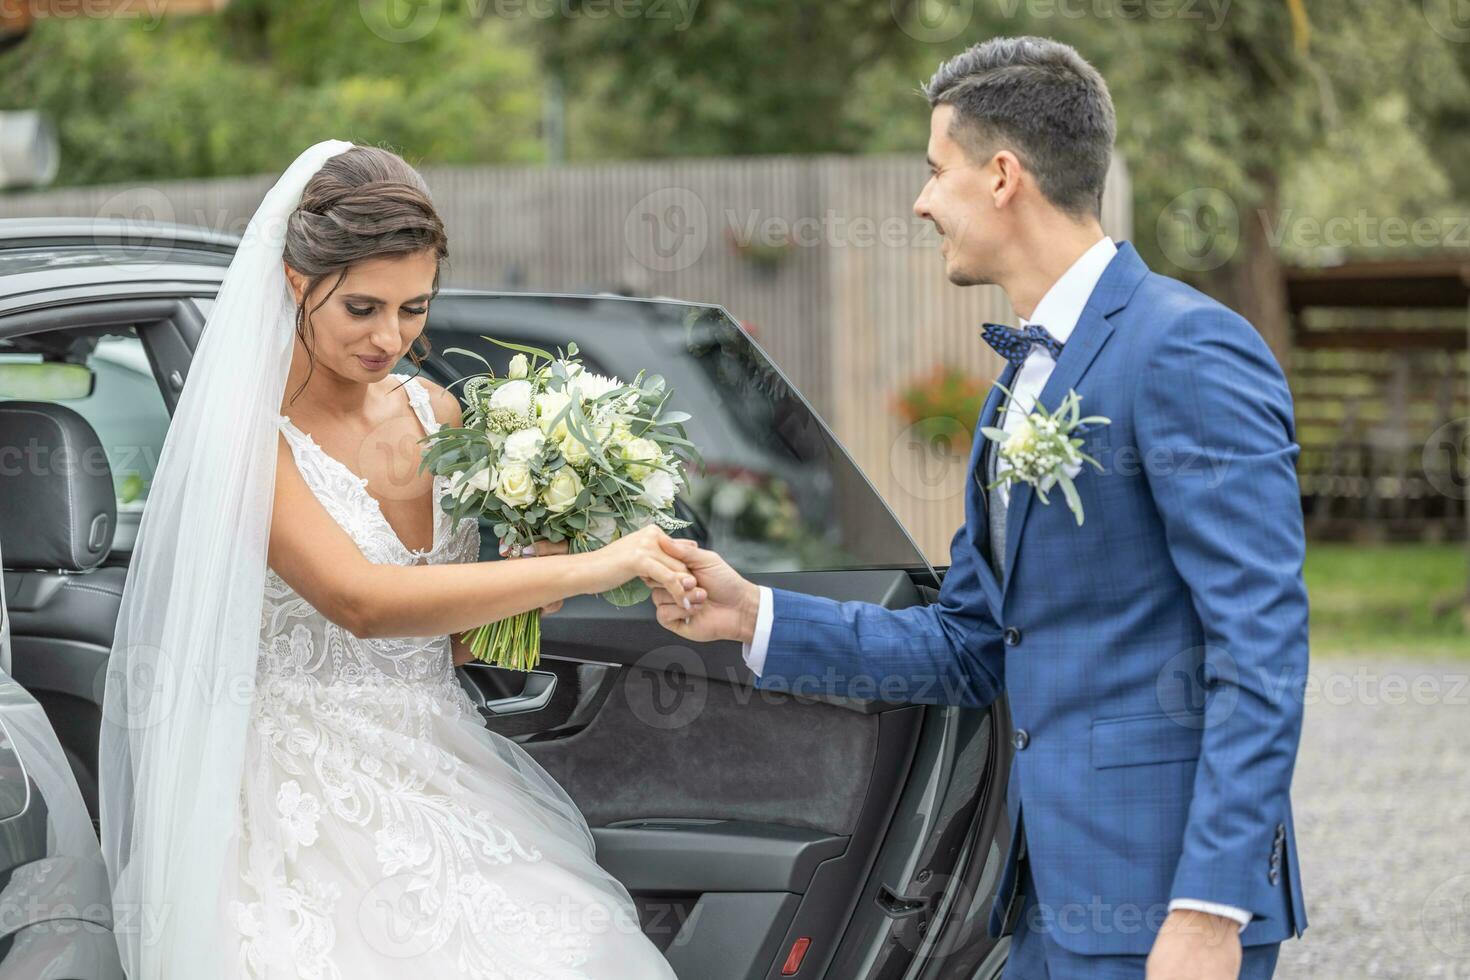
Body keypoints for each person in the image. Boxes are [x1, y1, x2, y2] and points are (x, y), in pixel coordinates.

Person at [653, 36, 1309, 980]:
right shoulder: (1018, 387)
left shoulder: (1189, 348)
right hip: (1042, 900)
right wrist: (751, 613)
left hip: (1165, 910)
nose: (921, 202)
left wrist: (1211, 905)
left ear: (1002, 176)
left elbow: (1262, 644)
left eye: (934, 171)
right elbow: (971, 643)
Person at [99, 140, 689, 978]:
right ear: (298, 283)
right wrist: (590, 569)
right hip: (297, 801)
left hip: (443, 770)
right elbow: (364, 604)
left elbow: (448, 644)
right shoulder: (246, 442)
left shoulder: (436, 410)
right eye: (364, 308)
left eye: (415, 309)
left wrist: (528, 584)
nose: (392, 337)